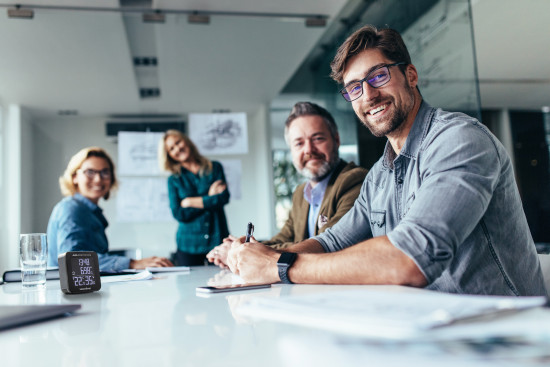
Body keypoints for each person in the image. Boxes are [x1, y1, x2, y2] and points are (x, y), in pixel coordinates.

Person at [226, 25, 547, 296]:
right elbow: (332, 240)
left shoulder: (459, 140)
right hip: (431, 327)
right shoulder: (380, 173)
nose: (367, 95)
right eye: (354, 88)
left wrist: (278, 266)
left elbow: (410, 259)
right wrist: (262, 255)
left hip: (506, 336)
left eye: (378, 76)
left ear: (410, 74)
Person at [206, 102, 367, 268]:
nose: (309, 150)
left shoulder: (353, 180)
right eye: (299, 143)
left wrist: (242, 251)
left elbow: (329, 243)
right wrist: (243, 247)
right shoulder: (301, 193)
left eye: (318, 138)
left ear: (336, 140)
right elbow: (284, 238)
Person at [47, 147, 173, 272]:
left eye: (105, 172)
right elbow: (73, 261)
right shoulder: (71, 209)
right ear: (75, 176)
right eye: (90, 172)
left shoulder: (90, 212)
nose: (98, 179)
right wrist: (132, 263)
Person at [159, 130, 230, 266]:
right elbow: (179, 213)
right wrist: (209, 197)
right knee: (187, 286)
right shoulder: (174, 179)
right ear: (169, 155)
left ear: (186, 141)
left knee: (223, 282)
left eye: (178, 142)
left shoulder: (215, 168)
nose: (177, 148)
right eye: (171, 148)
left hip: (217, 238)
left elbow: (223, 198)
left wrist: (190, 201)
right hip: (188, 244)